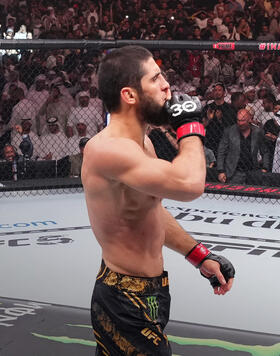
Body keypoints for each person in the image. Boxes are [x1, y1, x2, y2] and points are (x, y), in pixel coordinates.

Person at [81, 46, 235, 355]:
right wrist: (191, 128)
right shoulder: (108, 149)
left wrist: (198, 255)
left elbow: (150, 210)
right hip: (124, 298)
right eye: (156, 78)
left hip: (150, 292)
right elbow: (190, 184)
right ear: (130, 95)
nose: (167, 85)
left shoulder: (144, 144)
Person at [217, 108, 270, 184]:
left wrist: (265, 168)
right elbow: (221, 151)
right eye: (238, 120)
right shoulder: (229, 131)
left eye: (243, 120)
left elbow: (265, 151)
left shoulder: (258, 132)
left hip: (253, 171)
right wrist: (221, 170)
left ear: (250, 120)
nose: (240, 123)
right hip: (234, 172)